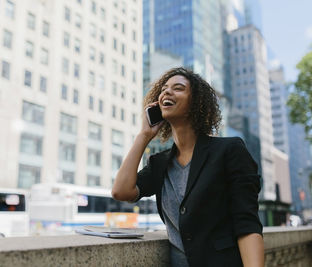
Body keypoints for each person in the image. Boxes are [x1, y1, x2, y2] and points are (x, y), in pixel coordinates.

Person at [111, 67, 264, 267]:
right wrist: (144, 136)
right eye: (164, 89)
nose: (166, 92)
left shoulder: (229, 150)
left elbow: (247, 223)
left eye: (178, 88)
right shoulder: (160, 163)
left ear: (196, 103)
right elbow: (121, 191)